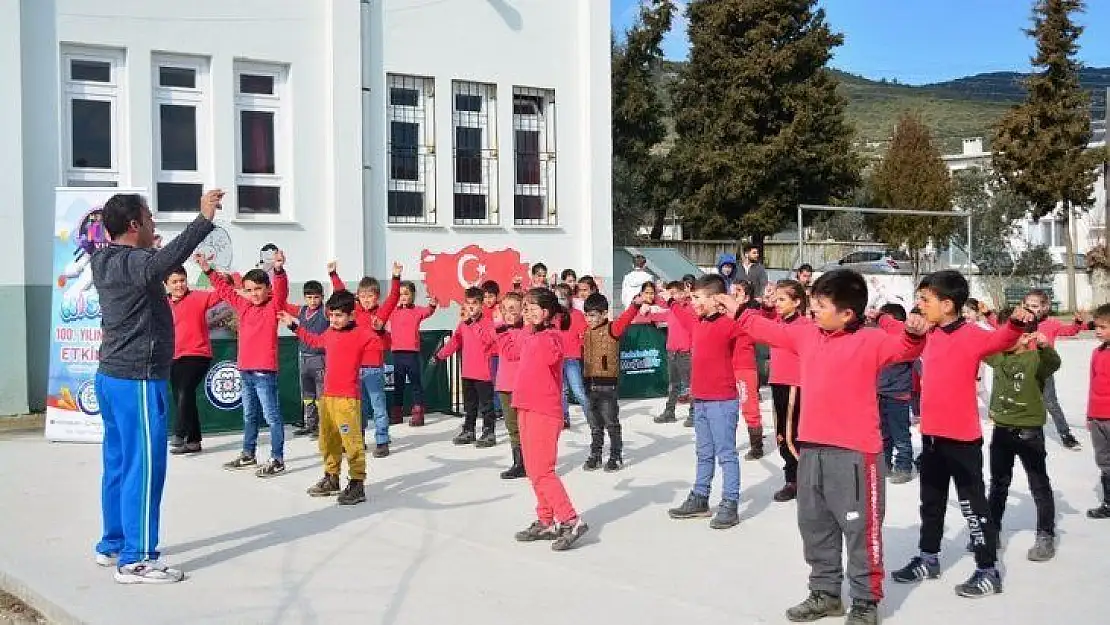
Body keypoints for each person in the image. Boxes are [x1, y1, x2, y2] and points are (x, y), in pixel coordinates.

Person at [726, 269, 929, 625]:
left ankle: (866, 601)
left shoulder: (871, 340)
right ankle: (825, 592)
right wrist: (741, 312)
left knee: (861, 530)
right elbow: (769, 331)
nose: (814, 310)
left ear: (847, 313)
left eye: (821, 305)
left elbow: (905, 348)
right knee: (814, 524)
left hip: (855, 455)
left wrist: (912, 332)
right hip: (813, 450)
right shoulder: (807, 333)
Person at [92, 189, 220, 584]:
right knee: (145, 467)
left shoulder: (103, 258)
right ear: (134, 225)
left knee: (118, 462)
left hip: (110, 377)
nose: (153, 224)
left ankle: (112, 542)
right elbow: (165, 259)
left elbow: (155, 260)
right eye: (148, 217)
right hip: (137, 380)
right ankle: (137, 559)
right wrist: (204, 219)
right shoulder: (137, 262)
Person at [889, 270, 1031, 599]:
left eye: (925, 300)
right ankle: (928, 557)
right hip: (932, 438)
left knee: (972, 507)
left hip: (962, 441)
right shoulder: (928, 334)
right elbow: (899, 340)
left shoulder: (972, 334)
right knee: (931, 503)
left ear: (948, 304)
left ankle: (988, 569)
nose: (919, 305)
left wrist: (1016, 324)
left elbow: (1001, 340)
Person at [278, 288, 390, 506]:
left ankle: (357, 483)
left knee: (351, 442)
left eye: (339, 315)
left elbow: (385, 345)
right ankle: (332, 477)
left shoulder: (363, 334)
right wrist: (293, 325)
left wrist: (382, 331)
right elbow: (314, 341)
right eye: (331, 315)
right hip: (327, 397)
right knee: (327, 440)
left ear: (351, 315)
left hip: (348, 399)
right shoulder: (330, 333)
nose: (334, 320)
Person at [198, 250, 290, 478]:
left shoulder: (273, 307)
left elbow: (281, 290)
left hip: (264, 373)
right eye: (249, 290)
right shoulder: (242, 305)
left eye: (258, 289)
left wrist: (278, 270)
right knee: (249, 415)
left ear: (267, 289)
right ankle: (248, 453)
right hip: (245, 370)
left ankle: (277, 458)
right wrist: (207, 269)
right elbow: (224, 289)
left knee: (272, 417)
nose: (254, 294)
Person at [665, 275, 746, 530]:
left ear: (715, 299)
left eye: (698, 298)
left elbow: (753, 327)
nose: (693, 302)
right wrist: (670, 300)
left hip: (722, 401)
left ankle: (730, 503)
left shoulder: (729, 325)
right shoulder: (698, 323)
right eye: (692, 298)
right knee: (703, 453)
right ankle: (700, 497)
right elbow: (680, 312)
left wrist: (739, 306)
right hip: (700, 400)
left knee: (726, 454)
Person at [512, 288, 589, 551]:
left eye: (533, 306)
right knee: (533, 471)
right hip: (524, 406)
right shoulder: (530, 334)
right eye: (525, 305)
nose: (527, 310)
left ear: (546, 312)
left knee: (543, 470)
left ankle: (570, 519)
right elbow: (514, 349)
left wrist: (538, 328)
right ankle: (546, 519)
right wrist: (523, 326)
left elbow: (550, 355)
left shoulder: (552, 336)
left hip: (544, 410)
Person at [983, 325, 1061, 561]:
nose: (1005, 339)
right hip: (1002, 431)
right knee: (998, 484)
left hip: (1029, 433)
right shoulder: (998, 358)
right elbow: (980, 347)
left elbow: (1053, 364)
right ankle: (992, 531)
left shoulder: (1034, 359)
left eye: (1011, 336)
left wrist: (1045, 346)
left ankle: (1045, 534)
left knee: (1038, 484)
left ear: (1025, 338)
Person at [328, 262, 402, 456]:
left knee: (378, 405)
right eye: (363, 296)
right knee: (357, 408)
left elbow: (394, 298)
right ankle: (357, 439)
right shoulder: (355, 312)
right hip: (354, 368)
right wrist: (333, 274)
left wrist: (395, 277)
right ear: (358, 298)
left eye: (371, 296)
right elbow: (341, 292)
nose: (367, 300)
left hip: (374, 368)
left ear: (377, 296)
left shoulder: (381, 313)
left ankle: (382, 440)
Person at [758, 279, 811, 501]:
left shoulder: (804, 325)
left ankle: (801, 480)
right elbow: (762, 321)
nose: (777, 303)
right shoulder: (779, 321)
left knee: (792, 435)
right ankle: (792, 477)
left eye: (782, 299)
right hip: (778, 382)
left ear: (797, 302)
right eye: (776, 298)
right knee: (781, 434)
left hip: (794, 384)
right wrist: (768, 304)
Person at [580, 292, 640, 471]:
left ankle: (615, 454)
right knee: (595, 424)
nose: (589, 319)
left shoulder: (612, 329)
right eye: (586, 315)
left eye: (592, 315)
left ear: (604, 314)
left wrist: (635, 306)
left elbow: (625, 319)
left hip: (607, 385)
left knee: (611, 422)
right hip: (590, 383)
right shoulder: (587, 332)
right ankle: (595, 453)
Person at [166, 266, 222, 455]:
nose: (179, 285)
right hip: (174, 357)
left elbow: (222, 293)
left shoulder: (198, 297)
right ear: (166, 284)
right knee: (183, 398)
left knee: (185, 390)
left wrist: (211, 272)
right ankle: (194, 440)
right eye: (175, 282)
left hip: (198, 354)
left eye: (182, 280)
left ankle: (179, 433)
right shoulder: (163, 304)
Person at [1023, 289, 1084, 450]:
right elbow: (1000, 326)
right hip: (1026, 370)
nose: (1030, 308)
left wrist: (1077, 324)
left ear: (1044, 307)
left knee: (1051, 403)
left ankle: (1065, 434)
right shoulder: (1021, 323)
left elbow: (1069, 331)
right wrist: (988, 314)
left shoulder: (1051, 324)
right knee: (1027, 401)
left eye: (1035, 306)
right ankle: (1028, 430)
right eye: (1027, 305)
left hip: (1044, 372)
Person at [437, 287, 497, 446]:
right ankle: (469, 430)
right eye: (468, 303)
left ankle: (488, 431)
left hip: (483, 373)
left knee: (486, 405)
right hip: (468, 371)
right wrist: (441, 355)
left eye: (475, 303)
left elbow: (488, 340)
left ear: (481, 304)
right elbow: (455, 341)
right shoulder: (463, 324)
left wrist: (472, 323)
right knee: (469, 405)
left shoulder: (487, 323)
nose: (471, 307)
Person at [874, 303, 915, 484]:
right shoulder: (881, 340)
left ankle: (904, 466)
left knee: (901, 434)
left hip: (899, 395)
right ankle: (885, 464)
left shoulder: (906, 341)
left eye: (886, 320)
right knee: (883, 433)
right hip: (881, 393)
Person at [388, 281, 437, 427]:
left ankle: (418, 412)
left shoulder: (417, 311)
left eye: (406, 294)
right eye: (400, 294)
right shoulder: (393, 311)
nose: (403, 297)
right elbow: (380, 313)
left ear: (413, 295)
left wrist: (433, 304)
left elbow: (429, 311)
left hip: (412, 354)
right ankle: (397, 412)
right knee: (398, 385)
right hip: (397, 353)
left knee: (416, 384)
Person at [285, 280, 328, 439]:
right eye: (309, 297)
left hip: (320, 358)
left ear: (322, 297)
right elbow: (282, 304)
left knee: (321, 395)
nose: (312, 301)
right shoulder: (302, 310)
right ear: (304, 298)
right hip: (303, 357)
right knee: (308, 394)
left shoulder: (325, 312)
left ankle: (322, 426)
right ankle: (310, 425)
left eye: (316, 297)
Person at [495, 292, 527, 479]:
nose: (508, 313)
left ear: (522, 311)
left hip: (521, 386)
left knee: (526, 426)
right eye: (505, 309)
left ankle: (532, 460)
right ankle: (519, 462)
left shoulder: (524, 332)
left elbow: (512, 354)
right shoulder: (500, 329)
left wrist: (499, 329)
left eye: (513, 309)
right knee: (512, 426)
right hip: (505, 385)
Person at [652, 281, 693, 425]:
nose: (671, 297)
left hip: (685, 353)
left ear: (683, 293)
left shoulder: (689, 308)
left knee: (690, 385)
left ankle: (694, 413)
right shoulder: (670, 310)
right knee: (673, 384)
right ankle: (669, 411)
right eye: (670, 294)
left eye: (674, 293)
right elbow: (656, 315)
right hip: (672, 352)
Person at [731, 280, 763, 461]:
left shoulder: (750, 315)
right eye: (733, 289)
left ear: (747, 297)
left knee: (749, 405)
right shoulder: (723, 313)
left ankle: (756, 445)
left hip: (744, 366)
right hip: (727, 366)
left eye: (739, 291)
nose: (734, 293)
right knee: (727, 407)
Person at [1086, 304, 1110, 519]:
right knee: (1104, 461)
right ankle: (1108, 503)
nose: (1098, 330)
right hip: (1097, 417)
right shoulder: (1097, 352)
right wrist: (1089, 415)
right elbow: (1092, 384)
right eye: (1097, 326)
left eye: (1103, 326)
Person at [554, 283, 589, 430]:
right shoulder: (553, 316)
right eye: (557, 297)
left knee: (578, 390)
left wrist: (579, 346)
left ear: (569, 298)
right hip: (556, 358)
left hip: (571, 357)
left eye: (563, 297)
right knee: (561, 391)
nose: (561, 300)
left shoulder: (577, 314)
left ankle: (591, 416)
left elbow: (584, 334)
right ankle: (565, 418)